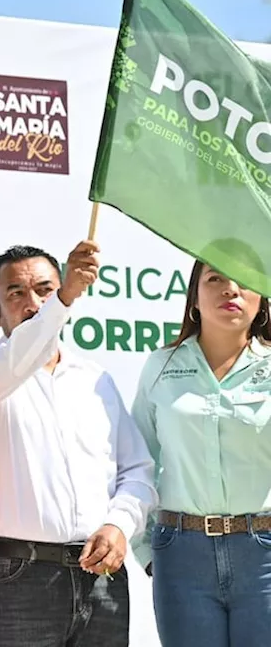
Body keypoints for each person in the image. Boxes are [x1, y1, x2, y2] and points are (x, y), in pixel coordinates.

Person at [0, 241, 156, 647]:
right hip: (16, 579)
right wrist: (63, 297)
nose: (33, 303)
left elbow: (137, 472)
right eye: (16, 293)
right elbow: (18, 357)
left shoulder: (95, 380)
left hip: (102, 580)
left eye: (45, 290)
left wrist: (119, 524)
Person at [131, 259, 271, 647]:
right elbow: (137, 461)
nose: (231, 289)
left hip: (263, 554)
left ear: (262, 300)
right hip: (181, 555)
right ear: (194, 298)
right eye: (215, 279)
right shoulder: (161, 366)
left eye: (245, 281)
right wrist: (146, 549)